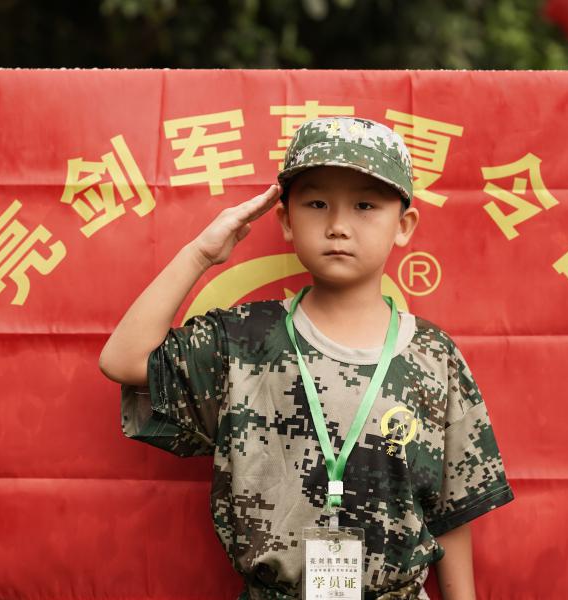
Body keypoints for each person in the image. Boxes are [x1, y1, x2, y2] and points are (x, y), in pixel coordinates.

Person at [99, 116, 515, 600]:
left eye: (365, 206)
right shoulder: (243, 340)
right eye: (317, 204)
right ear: (286, 220)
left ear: (403, 226)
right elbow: (123, 360)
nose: (338, 226)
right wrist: (200, 254)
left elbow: (454, 510)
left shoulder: (432, 355)